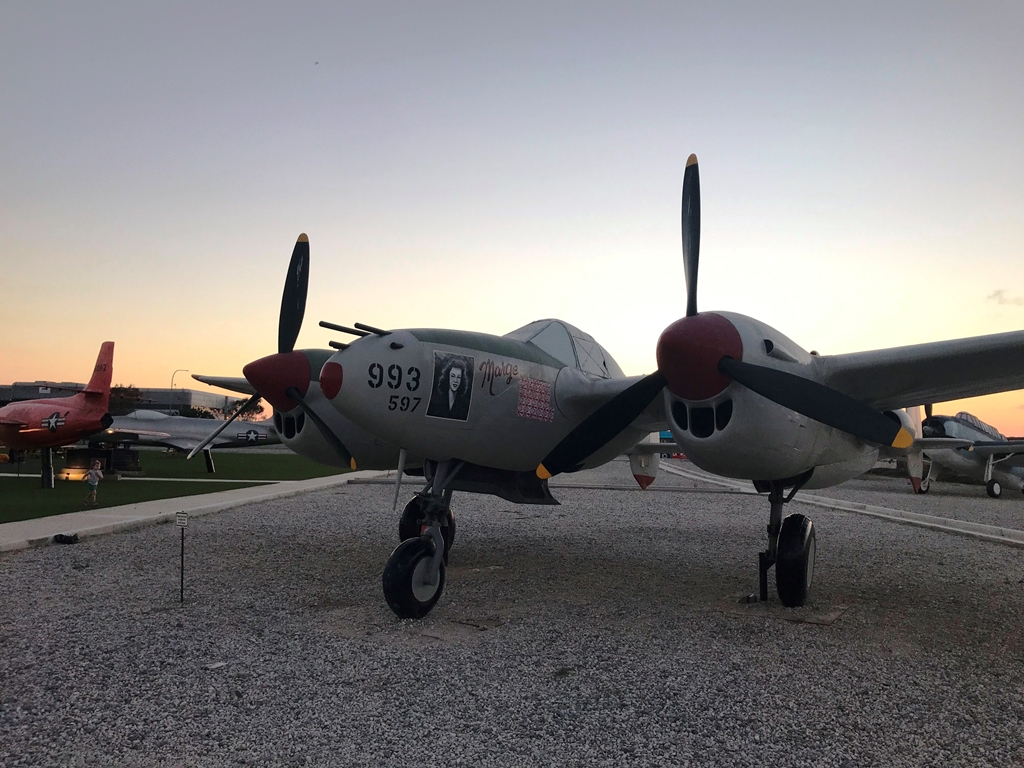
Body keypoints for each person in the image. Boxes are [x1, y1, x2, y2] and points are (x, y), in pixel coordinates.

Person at [427, 356, 472, 420]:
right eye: (453, 376)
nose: (455, 381)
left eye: (458, 377)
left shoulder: (464, 404)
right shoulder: (436, 400)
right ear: (447, 377)